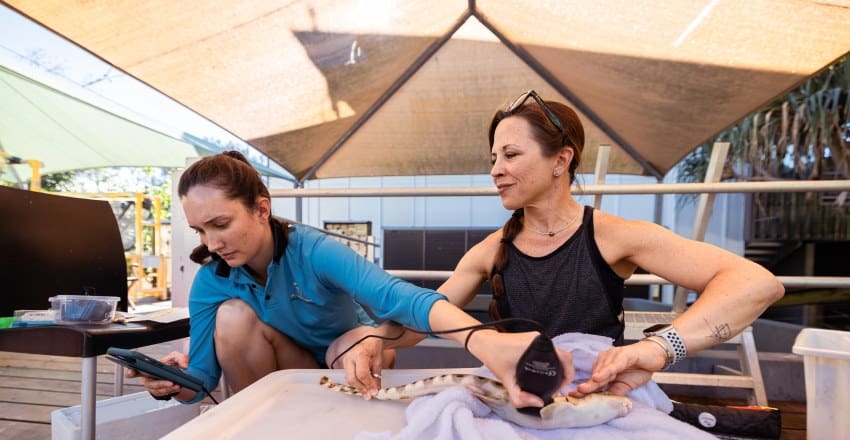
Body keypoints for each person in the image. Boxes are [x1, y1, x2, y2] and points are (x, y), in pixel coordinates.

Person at [342, 90, 784, 401]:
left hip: (599, 393)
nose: (495, 169)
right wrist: (375, 338)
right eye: (493, 158)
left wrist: (655, 349)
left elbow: (755, 284)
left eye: (511, 155)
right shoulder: (488, 251)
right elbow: (424, 321)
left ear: (562, 159)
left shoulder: (614, 235)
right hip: (517, 393)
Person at [133, 150, 569, 407]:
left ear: (261, 209)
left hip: (351, 355)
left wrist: (488, 343)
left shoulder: (314, 250)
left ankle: (336, 424)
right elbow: (204, 382)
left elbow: (400, 298)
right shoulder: (214, 280)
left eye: (221, 224)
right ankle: (266, 429)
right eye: (200, 231)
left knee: (353, 341)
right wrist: (172, 384)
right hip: (282, 367)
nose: (212, 244)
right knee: (231, 317)